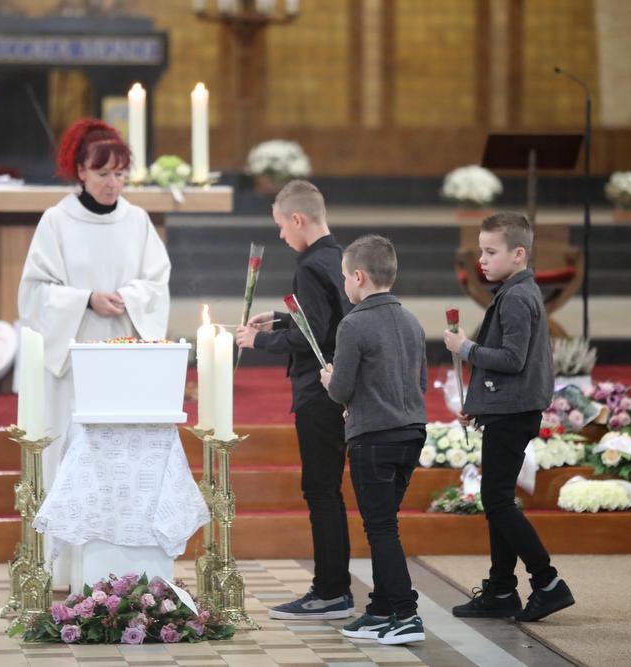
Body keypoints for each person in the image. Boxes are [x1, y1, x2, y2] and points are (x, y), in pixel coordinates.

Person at [18, 119, 171, 587]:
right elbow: (33, 294)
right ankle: (64, 569)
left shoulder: (137, 221)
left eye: (121, 174)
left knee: (119, 462)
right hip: (72, 369)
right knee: (70, 460)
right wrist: (85, 297)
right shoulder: (57, 221)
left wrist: (129, 295)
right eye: (103, 173)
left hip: (123, 363)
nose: (113, 184)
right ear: (79, 171)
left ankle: (118, 568)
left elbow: (157, 284)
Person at [444, 212, 574, 622]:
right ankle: (501, 589)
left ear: (518, 254)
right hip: (507, 409)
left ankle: (547, 581)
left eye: (490, 251)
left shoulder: (517, 297)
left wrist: (465, 347)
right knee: (496, 498)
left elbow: (512, 360)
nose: (481, 259)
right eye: (481, 250)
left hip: (514, 412)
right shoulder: (515, 291)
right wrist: (478, 403)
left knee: (497, 500)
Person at [235, 180, 354, 619]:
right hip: (341, 387)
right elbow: (332, 318)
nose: (282, 235)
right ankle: (334, 588)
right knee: (328, 491)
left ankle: (330, 592)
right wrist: (282, 319)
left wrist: (255, 340)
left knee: (320, 490)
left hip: (318, 392)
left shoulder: (308, 266)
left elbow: (315, 337)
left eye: (282, 226)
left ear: (299, 220)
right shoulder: (338, 257)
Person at [320, 234, 428, 645]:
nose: (344, 283)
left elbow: (342, 388)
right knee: (385, 523)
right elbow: (416, 383)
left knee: (381, 528)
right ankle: (382, 606)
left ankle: (405, 614)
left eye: (345, 276)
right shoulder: (412, 320)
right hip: (411, 433)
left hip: (373, 438)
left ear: (359, 277)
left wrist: (331, 380)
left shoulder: (354, 322)